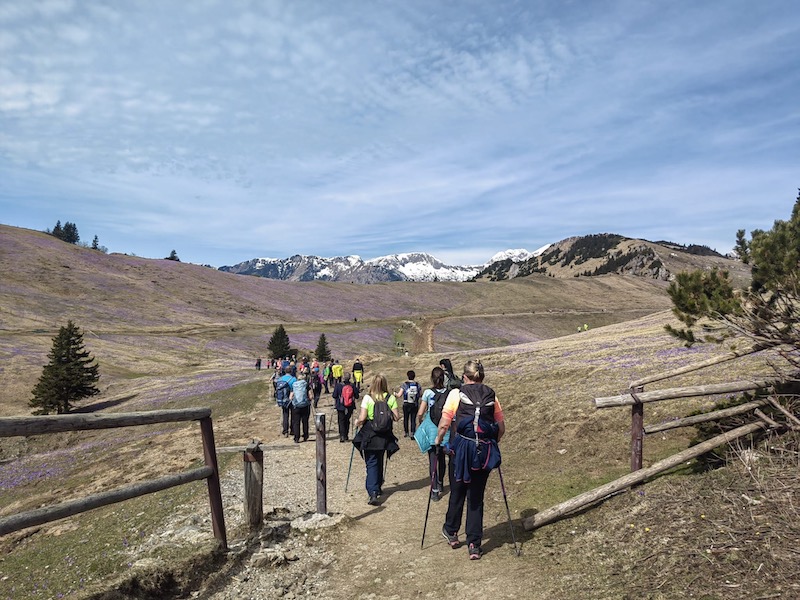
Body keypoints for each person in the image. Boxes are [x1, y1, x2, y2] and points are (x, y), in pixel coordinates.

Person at [434, 360, 504, 560]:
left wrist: (438, 441)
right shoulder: (491, 395)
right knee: (476, 496)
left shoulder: (456, 394)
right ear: (482, 376)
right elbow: (501, 427)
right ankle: (474, 544)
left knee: (457, 491)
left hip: (461, 450)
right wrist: (492, 442)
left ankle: (452, 531)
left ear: (464, 376)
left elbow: (444, 423)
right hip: (483, 451)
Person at [353, 374, 400, 505]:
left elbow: (363, 418)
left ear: (373, 383)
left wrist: (357, 422)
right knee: (379, 459)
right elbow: (397, 417)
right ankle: (378, 486)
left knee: (371, 462)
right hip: (384, 435)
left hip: (370, 434)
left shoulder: (368, 398)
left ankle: (373, 492)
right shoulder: (390, 398)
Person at [416, 367, 450, 501]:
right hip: (444, 429)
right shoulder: (449, 393)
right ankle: (441, 482)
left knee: (432, 459)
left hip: (431, 429)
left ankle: (434, 490)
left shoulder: (428, 392)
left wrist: (420, 421)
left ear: (432, 378)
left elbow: (420, 412)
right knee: (442, 458)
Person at [333, 372, 358, 442]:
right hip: (350, 406)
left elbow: (334, 395)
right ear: (349, 378)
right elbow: (357, 396)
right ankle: (346, 435)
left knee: (341, 420)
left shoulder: (338, 385)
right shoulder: (352, 385)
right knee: (347, 420)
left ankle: (342, 436)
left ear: (343, 378)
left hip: (340, 406)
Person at [290, 371, 312, 443]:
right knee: (305, 421)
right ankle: (305, 436)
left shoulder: (294, 385)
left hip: (296, 406)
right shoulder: (306, 385)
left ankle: (296, 438)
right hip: (305, 405)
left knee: (296, 422)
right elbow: (311, 396)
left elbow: (290, 397)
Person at [275, 368, 297, 437]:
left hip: (283, 399)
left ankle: (285, 431)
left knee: (285, 415)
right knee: (293, 415)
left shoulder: (280, 379)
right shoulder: (293, 379)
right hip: (292, 399)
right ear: (291, 371)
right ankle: (292, 430)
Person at [401, 370, 421, 439]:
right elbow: (420, 394)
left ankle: (406, 432)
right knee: (413, 419)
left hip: (406, 404)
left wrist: (395, 394)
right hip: (414, 404)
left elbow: (399, 394)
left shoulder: (404, 385)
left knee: (406, 418)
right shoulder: (417, 385)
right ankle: (413, 432)